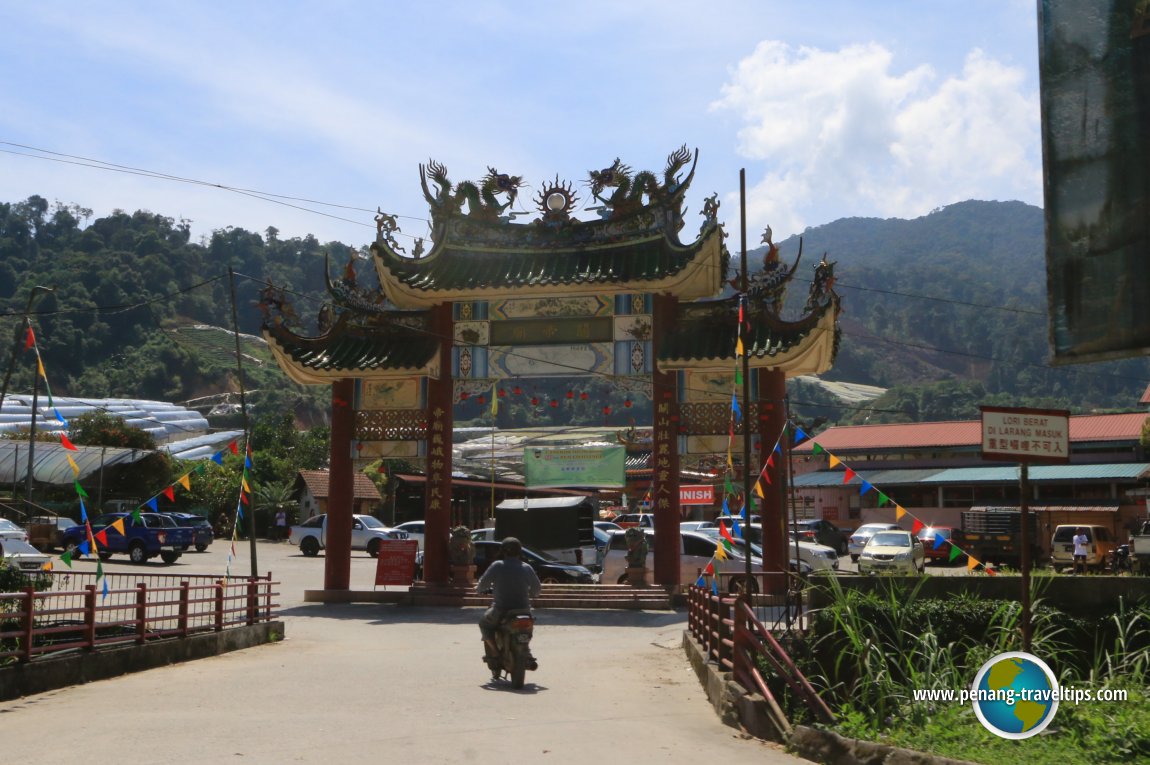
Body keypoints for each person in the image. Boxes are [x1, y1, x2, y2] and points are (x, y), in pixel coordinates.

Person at [476, 537, 541, 670]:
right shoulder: (527, 567)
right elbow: (537, 590)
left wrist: (479, 589)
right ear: (520, 552)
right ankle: (526, 650)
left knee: (484, 624)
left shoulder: (497, 565)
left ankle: (494, 651)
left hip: (501, 610)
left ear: (503, 552)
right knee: (527, 629)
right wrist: (531, 594)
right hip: (524, 611)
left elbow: (482, 585)